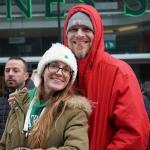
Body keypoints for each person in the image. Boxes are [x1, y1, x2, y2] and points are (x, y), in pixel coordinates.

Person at [63, 4, 149, 150]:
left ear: (97, 33)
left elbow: (133, 134)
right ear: (66, 35)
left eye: (86, 29)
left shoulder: (119, 73)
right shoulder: (61, 74)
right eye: (73, 29)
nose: (79, 34)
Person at [0, 43, 92, 150]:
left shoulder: (75, 111)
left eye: (66, 70)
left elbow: (77, 148)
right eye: (54, 66)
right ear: (43, 70)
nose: (59, 73)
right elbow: (3, 145)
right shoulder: (19, 102)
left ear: (70, 78)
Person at [0, 57, 35, 139]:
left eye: (15, 71)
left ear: (26, 76)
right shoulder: (1, 103)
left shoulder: (37, 99)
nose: (10, 74)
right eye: (7, 70)